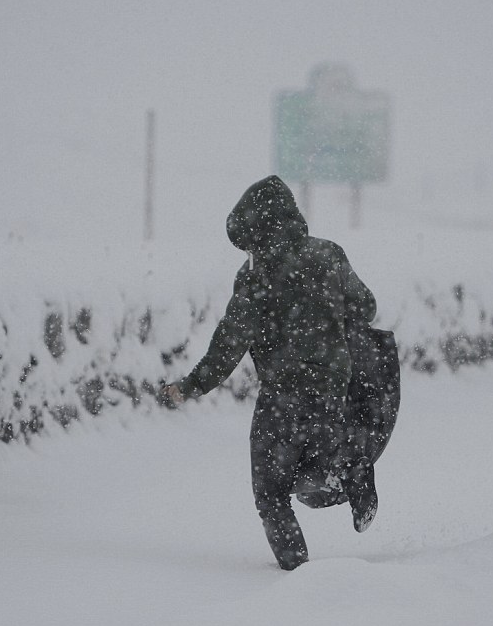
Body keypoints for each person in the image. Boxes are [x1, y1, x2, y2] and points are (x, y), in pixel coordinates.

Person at [161, 175, 378, 571]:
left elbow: (228, 345)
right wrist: (329, 323)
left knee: (272, 492)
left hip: (284, 397)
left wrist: (189, 387)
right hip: (333, 390)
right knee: (317, 466)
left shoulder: (255, 278)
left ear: (255, 229)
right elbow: (366, 307)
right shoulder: (329, 254)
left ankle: (296, 576)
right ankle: (350, 468)